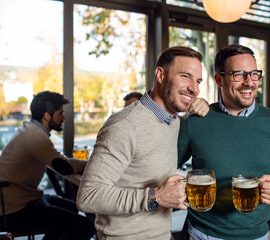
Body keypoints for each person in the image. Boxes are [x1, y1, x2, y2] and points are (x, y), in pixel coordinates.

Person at [178, 44, 270, 240]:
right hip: (201, 234)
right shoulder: (196, 120)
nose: (249, 82)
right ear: (219, 79)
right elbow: (165, 166)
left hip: (257, 235)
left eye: (254, 74)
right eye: (239, 74)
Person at [76, 46, 208, 240]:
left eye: (197, 81)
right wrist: (157, 197)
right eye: (185, 76)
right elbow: (88, 197)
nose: (194, 88)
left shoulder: (172, 120)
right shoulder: (124, 125)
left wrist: (200, 105)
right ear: (160, 74)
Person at [0, 91, 96, 240]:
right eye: (60, 113)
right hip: (17, 211)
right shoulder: (35, 136)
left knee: (73, 209)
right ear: (47, 116)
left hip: (18, 202)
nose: (64, 117)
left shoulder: (28, 129)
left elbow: (58, 162)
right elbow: (63, 166)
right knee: (86, 226)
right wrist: (93, 165)